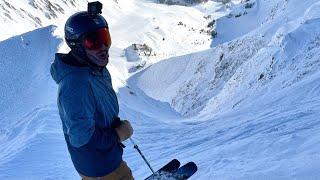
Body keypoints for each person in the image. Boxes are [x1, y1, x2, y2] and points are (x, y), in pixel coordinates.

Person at [50, 2, 134, 179]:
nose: (103, 46)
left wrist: (113, 124)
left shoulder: (95, 70)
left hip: (106, 159)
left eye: (105, 38)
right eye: (93, 42)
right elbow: (81, 138)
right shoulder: (75, 86)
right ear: (77, 46)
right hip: (99, 169)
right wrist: (118, 134)